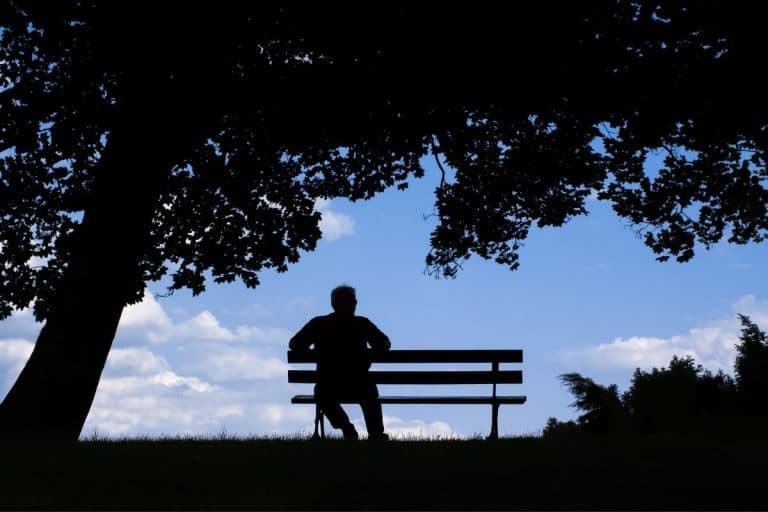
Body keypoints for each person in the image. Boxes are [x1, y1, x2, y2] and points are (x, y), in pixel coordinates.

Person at [289, 285, 391, 440]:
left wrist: (315, 353)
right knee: (370, 395)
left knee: (322, 395)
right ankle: (376, 434)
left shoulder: (319, 323)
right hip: (359, 383)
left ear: (333, 304)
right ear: (354, 303)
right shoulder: (362, 324)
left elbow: (295, 344)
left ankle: (345, 426)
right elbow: (384, 343)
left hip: (328, 383)